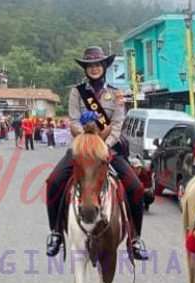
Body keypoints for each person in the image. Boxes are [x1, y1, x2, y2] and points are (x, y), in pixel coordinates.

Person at [45, 46, 148, 263]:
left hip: (109, 149)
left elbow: (118, 125)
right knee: (54, 181)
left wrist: (103, 145)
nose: (94, 68)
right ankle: (55, 232)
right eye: (90, 65)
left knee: (136, 187)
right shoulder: (77, 92)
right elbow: (74, 121)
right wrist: (86, 141)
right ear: (85, 68)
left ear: (104, 66)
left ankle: (135, 237)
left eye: (98, 64)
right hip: (82, 149)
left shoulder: (116, 94)